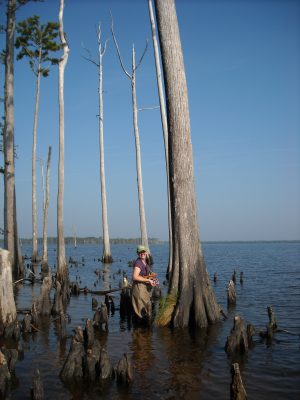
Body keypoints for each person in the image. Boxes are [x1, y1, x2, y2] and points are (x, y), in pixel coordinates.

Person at [131, 245, 154, 320]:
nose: (142, 253)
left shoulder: (145, 262)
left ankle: (144, 329)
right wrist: (148, 280)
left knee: (146, 308)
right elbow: (135, 277)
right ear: (138, 253)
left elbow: (144, 275)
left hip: (143, 289)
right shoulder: (138, 263)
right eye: (140, 252)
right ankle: (141, 328)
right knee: (141, 311)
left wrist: (152, 279)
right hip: (139, 289)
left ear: (146, 252)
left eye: (143, 251)